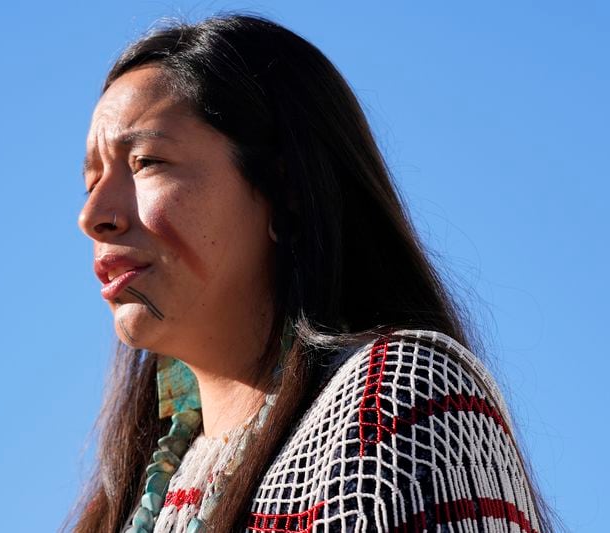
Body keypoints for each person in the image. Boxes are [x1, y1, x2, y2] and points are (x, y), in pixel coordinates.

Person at [68, 13, 553, 533]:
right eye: (91, 181)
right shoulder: (120, 509)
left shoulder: (396, 405)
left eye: (145, 162)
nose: (94, 215)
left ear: (286, 189)